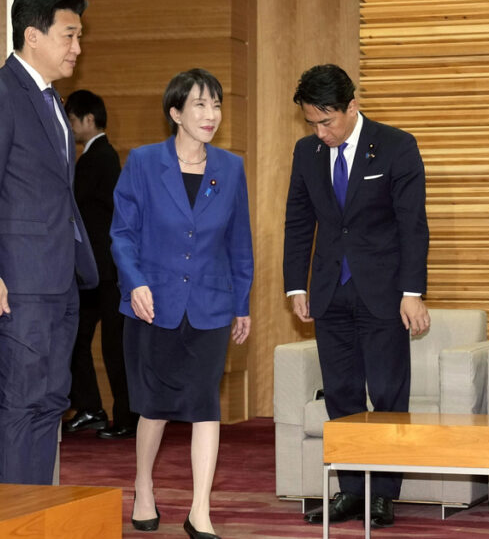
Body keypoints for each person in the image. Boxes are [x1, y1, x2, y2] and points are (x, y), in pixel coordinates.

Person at [283, 64, 430, 529]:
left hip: (384, 293)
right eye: (312, 122)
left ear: (352, 106)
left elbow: (412, 225)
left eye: (327, 121)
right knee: (342, 395)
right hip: (330, 291)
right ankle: (351, 491)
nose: (320, 131)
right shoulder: (306, 153)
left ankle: (384, 494)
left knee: (387, 394)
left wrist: (412, 292)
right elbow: (299, 222)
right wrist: (296, 284)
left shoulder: (395, 145)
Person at [0, 0, 97, 485]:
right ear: (32, 36)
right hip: (19, 282)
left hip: (59, 280)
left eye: (80, 36)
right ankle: (12, 522)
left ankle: (37, 517)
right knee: (21, 403)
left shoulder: (50, 101)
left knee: (50, 402)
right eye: (70, 35)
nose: (78, 47)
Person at [111, 68, 253, 538]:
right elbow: (123, 235)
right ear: (175, 112)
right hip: (154, 304)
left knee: (204, 404)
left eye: (216, 105)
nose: (210, 115)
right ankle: (144, 486)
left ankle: (200, 511)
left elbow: (239, 242)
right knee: (153, 406)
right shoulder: (144, 162)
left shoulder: (230, 168)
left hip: (211, 305)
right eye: (199, 105)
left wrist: (242, 303)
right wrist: (134, 282)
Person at [62, 89, 138, 439]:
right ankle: (92, 407)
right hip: (96, 272)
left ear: (88, 120)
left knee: (114, 347)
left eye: (74, 119)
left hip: (106, 272)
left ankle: (126, 418)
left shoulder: (102, 158)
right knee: (81, 339)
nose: (71, 126)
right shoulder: (95, 157)